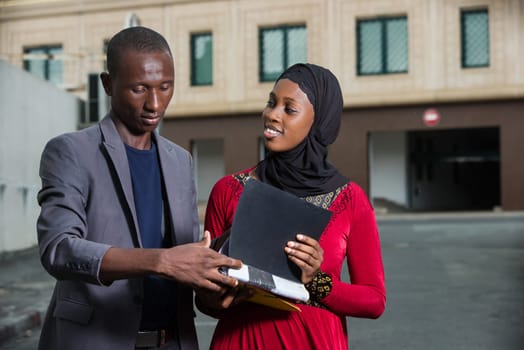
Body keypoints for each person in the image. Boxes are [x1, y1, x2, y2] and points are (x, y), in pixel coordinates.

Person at [36, 26, 241, 350]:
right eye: (139, 89)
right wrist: (161, 261)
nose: (155, 104)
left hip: (172, 341)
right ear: (108, 83)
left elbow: (185, 258)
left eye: (165, 87)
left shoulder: (180, 161)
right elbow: (58, 248)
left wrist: (213, 285)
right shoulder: (71, 152)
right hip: (96, 340)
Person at [196, 63, 386, 349]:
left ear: (318, 121)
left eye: (289, 108)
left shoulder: (351, 200)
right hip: (240, 340)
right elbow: (206, 301)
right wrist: (215, 292)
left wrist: (316, 281)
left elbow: (374, 301)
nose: (272, 114)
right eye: (271, 103)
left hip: (315, 341)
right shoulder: (228, 191)